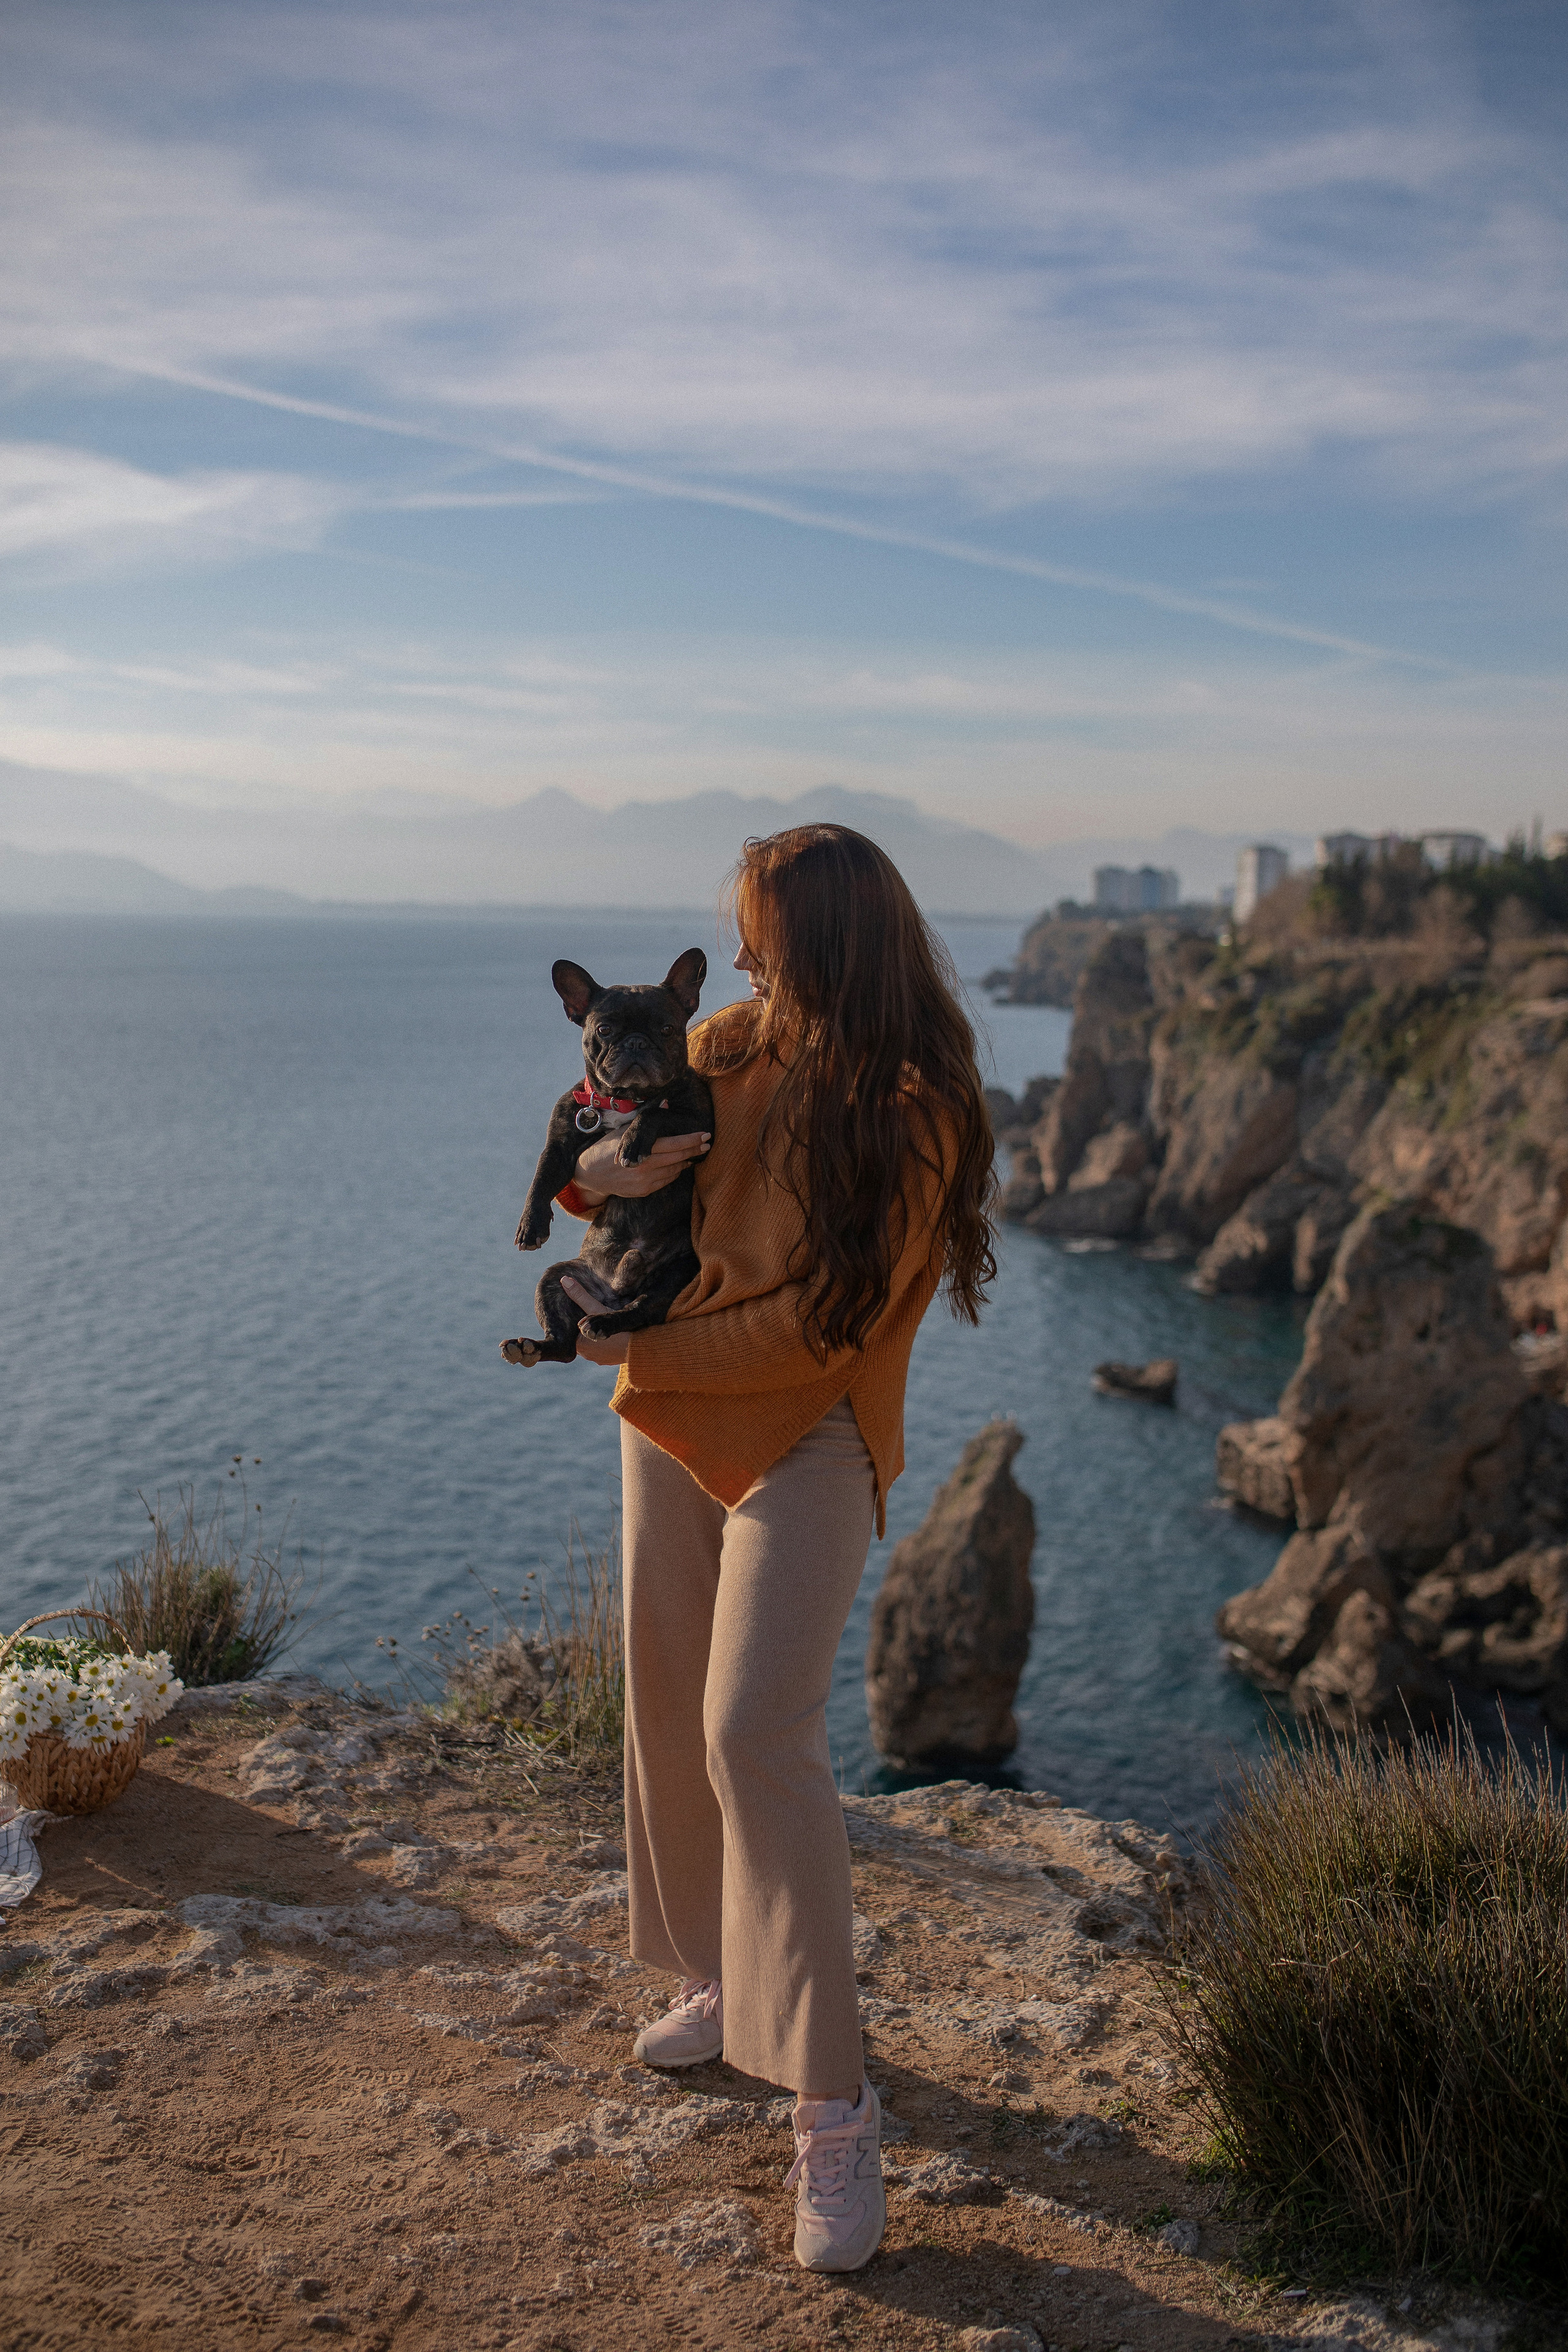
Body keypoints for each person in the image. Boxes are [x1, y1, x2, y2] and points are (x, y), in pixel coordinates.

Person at [549, 823, 996, 2272]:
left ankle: (833, 2106)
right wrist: (589, 1190)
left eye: (756, 930)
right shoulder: (733, 1039)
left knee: (755, 1732)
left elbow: (825, 1328)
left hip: (808, 1429)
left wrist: (638, 1333)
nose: (735, 954)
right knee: (670, 1709)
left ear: (821, 939)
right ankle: (722, 1978)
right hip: (669, 1415)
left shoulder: (917, 1110)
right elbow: (607, 1120)